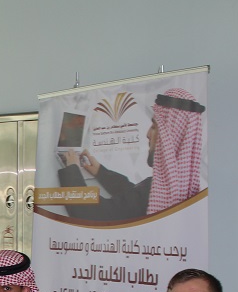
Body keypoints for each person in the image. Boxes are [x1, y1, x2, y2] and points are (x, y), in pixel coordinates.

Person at [57, 88, 205, 221]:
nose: (148, 134)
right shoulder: (181, 188)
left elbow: (95, 214)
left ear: (172, 137)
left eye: (154, 127)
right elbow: (134, 198)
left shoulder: (154, 193)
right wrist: (101, 172)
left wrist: (72, 170)